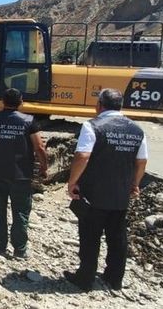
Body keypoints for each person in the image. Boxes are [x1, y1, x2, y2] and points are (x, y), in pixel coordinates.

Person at [63, 88, 148, 292]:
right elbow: (142, 161)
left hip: (94, 193)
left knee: (90, 236)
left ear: (99, 105)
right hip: (120, 194)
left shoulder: (92, 126)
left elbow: (83, 156)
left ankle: (85, 278)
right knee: (117, 236)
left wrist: (72, 182)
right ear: (120, 106)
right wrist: (134, 184)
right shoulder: (137, 130)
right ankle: (114, 278)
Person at [0, 88, 49, 258]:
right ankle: (20, 249)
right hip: (21, 174)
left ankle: (1, 246)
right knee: (20, 212)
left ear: (3, 101)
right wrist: (44, 167)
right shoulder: (29, 121)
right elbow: (39, 147)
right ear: (21, 101)